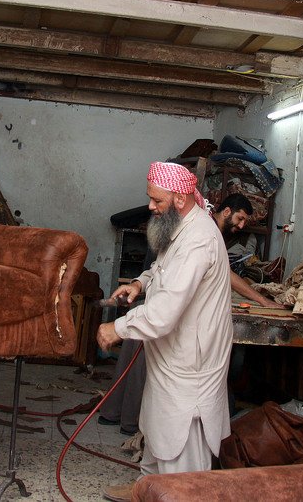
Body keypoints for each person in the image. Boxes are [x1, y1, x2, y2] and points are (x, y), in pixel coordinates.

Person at [98, 162, 233, 501]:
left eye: (157, 200)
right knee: (158, 431)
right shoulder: (181, 226)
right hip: (173, 357)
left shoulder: (199, 240)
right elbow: (162, 269)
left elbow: (165, 312)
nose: (150, 206)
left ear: (180, 199)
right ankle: (147, 489)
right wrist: (139, 283)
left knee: (181, 450)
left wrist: (118, 328)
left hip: (191, 364)